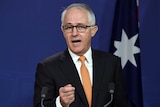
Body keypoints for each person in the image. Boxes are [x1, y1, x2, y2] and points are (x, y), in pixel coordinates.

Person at [33, 3, 128, 107]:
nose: (74, 33)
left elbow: (121, 103)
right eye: (69, 27)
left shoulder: (111, 63)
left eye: (81, 27)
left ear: (93, 30)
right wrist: (60, 103)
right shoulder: (48, 67)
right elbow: (40, 105)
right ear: (63, 31)